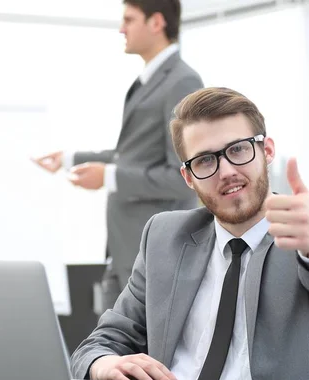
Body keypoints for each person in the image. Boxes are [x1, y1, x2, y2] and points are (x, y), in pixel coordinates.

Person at [70, 87, 309, 380]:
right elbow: (100, 343)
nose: (225, 171)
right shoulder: (164, 237)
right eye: (204, 161)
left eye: (238, 149)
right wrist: (104, 363)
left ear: (266, 151)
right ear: (188, 177)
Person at [33, 0, 203, 311]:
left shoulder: (182, 82)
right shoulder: (148, 81)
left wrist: (108, 177)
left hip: (156, 254)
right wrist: (70, 158)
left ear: (156, 23)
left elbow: (183, 176)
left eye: (129, 19)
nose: (121, 28)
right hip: (126, 249)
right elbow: (133, 153)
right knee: (112, 349)